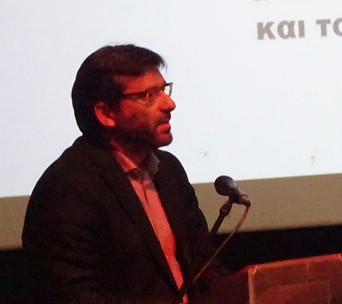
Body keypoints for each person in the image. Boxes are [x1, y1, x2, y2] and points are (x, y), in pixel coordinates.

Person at [23, 44, 225, 303]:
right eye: (148, 95)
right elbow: (72, 296)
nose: (169, 104)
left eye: (164, 89)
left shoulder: (169, 170)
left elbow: (203, 263)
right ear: (106, 114)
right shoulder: (67, 188)